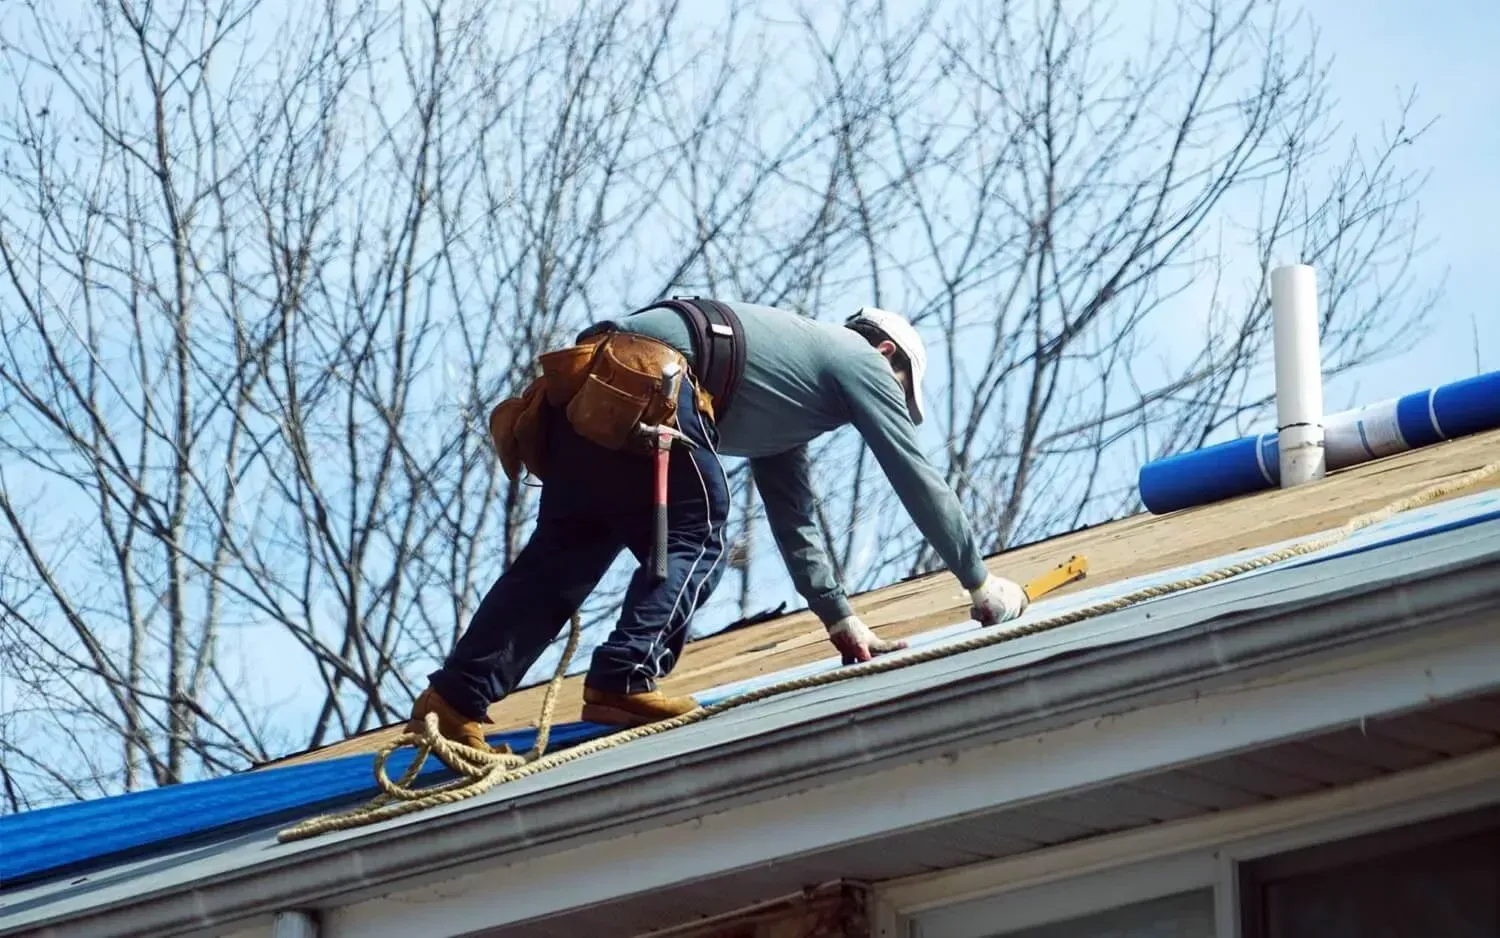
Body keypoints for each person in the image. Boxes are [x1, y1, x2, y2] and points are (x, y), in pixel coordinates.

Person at [406, 301, 1028, 749]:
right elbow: (915, 475)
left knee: (565, 555)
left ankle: (454, 699)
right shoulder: (858, 358)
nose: (888, 400)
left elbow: (794, 518)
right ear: (886, 353)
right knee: (699, 526)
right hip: (652, 377)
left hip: (589, 390)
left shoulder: (785, 397)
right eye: (898, 389)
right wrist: (979, 583)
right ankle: (624, 677)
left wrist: (841, 620)